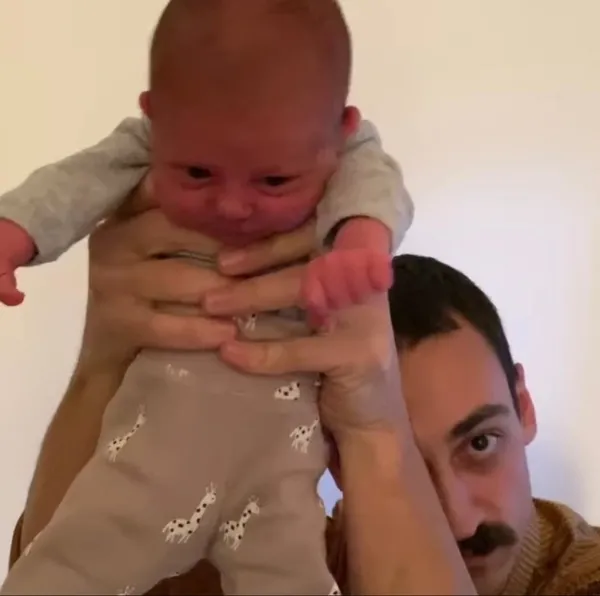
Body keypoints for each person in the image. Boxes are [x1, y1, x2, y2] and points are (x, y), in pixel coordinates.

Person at [0, 1, 413, 595]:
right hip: (150, 455)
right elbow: (69, 186)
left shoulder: (355, 159)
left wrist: (358, 244)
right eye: (197, 172)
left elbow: (379, 192)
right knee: (70, 563)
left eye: (274, 180)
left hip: (280, 471)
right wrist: (15, 233)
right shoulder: (140, 146)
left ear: (340, 131)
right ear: (155, 119)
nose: (233, 206)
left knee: (294, 576)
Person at [6, 184, 600, 595]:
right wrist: (104, 364)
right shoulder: (278, 560)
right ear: (330, 454)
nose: (459, 520)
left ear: (524, 406)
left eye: (480, 444)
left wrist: (377, 426)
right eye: (410, 470)